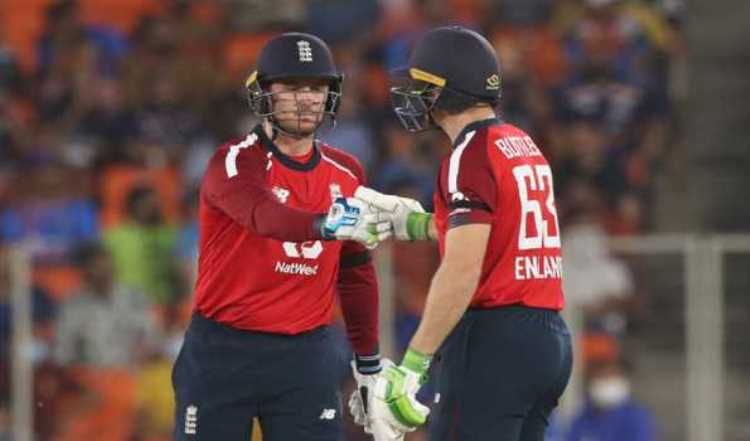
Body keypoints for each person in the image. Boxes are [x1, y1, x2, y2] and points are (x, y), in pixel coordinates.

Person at [350, 26, 573, 441]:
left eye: (422, 84)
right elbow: (498, 232)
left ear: (445, 88)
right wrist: (415, 223)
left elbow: (462, 270)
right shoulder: (520, 142)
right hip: (548, 339)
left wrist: (413, 365)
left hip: (495, 339)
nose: (414, 94)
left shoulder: (470, 154)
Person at [171, 32, 391, 441]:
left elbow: (355, 272)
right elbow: (264, 215)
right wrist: (324, 225)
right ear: (264, 93)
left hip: (305, 356)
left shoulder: (348, 173)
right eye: (291, 87)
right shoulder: (232, 162)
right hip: (223, 352)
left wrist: (368, 362)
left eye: (316, 88)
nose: (305, 99)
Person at [565, 358, 656, 441]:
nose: (605, 383)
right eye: (600, 377)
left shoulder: (636, 418)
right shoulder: (583, 418)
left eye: (610, 377)